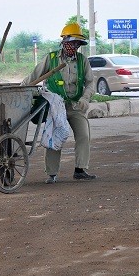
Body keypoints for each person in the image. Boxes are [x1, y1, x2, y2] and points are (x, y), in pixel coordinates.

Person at [21, 22, 96, 183]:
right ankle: (52, 174)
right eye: (71, 42)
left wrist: (85, 98)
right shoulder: (51, 58)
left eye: (76, 43)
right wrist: (20, 89)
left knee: (83, 135)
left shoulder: (83, 61)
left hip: (75, 105)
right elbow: (34, 76)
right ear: (64, 41)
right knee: (54, 137)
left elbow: (91, 83)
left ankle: (80, 169)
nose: (73, 46)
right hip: (56, 106)